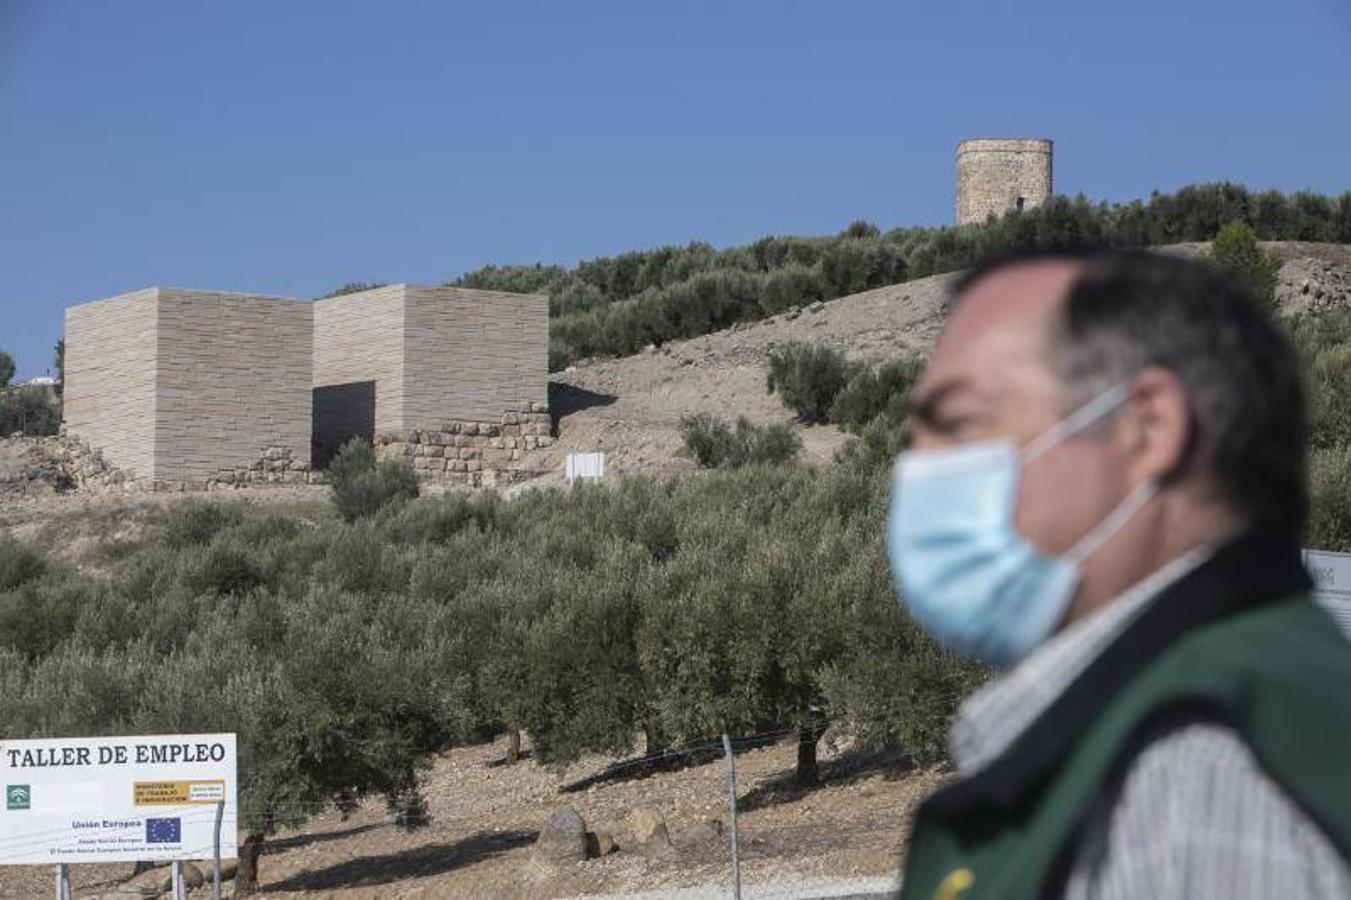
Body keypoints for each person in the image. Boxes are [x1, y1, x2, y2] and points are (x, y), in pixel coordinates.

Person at [886, 248, 1351, 900]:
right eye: (914, 442)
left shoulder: (1189, 784)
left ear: (1147, 428)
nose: (916, 473)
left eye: (959, 424)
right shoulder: (1269, 705)